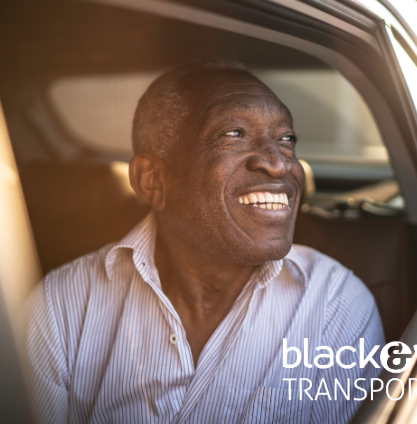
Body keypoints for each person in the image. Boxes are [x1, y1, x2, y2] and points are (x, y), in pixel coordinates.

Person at [25, 60, 384, 424]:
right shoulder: (62, 305)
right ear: (153, 181)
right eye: (233, 134)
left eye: (286, 138)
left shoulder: (334, 303)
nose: (279, 164)